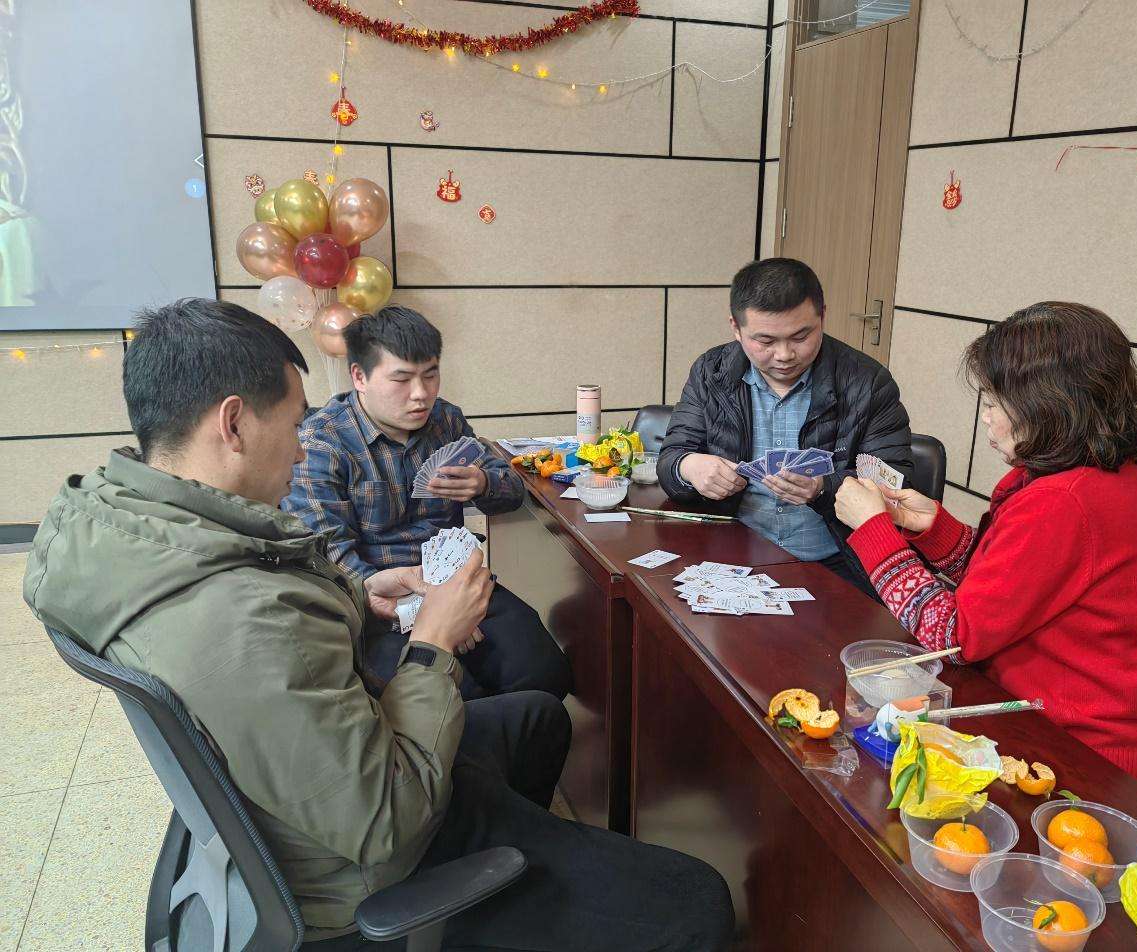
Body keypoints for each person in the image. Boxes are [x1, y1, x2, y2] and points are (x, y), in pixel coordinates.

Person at [22, 299, 733, 950]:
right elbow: (387, 823)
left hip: (346, 757)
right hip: (368, 860)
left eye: (431, 375)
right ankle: (488, 888)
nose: (300, 448)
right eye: (292, 425)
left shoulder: (149, 533)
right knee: (697, 900)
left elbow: (481, 495)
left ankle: (524, 874)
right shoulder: (240, 617)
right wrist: (433, 644)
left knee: (538, 714)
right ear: (233, 424)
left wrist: (365, 591)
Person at [834, 302, 1137, 792]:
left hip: (1088, 759)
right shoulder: (1112, 475)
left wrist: (873, 532)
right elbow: (1015, 587)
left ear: (1048, 407)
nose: (987, 419)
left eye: (995, 404)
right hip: (1067, 730)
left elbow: (954, 636)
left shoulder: (1063, 500)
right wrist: (932, 528)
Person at [283, 306, 571, 701]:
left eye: (430, 375)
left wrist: (483, 483)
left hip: (457, 582)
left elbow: (511, 492)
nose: (421, 394)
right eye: (401, 379)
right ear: (359, 377)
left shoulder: (445, 421)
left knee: (546, 673)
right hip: (380, 607)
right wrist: (429, 614)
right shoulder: (321, 443)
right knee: (455, 705)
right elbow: (329, 556)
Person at [657, 257, 913, 597]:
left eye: (801, 336)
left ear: (823, 316)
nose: (784, 355)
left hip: (835, 560)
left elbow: (894, 480)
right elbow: (672, 457)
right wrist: (689, 466)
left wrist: (824, 489)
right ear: (736, 328)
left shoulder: (867, 382)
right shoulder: (711, 371)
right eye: (765, 341)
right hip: (732, 553)